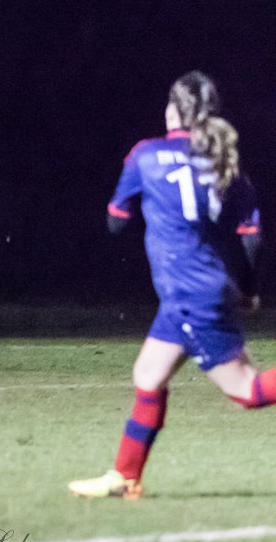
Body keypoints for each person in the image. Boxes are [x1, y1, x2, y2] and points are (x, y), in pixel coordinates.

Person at [69, 71, 272, 500]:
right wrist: (251, 289)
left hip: (187, 294)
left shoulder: (145, 154)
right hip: (204, 288)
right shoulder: (226, 163)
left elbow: (114, 222)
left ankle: (125, 476)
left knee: (247, 391)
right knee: (147, 375)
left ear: (172, 111)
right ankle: (125, 477)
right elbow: (252, 238)